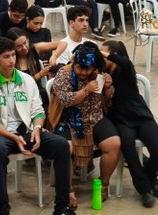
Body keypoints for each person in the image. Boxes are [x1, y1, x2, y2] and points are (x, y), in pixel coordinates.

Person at [0, 37, 76, 215]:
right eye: (6, 56)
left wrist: (37, 129)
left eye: (13, 55)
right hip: (1, 134)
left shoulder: (26, 80)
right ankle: (2, 209)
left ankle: (62, 207)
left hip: (29, 132)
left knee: (62, 145)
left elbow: (37, 111)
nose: (11, 60)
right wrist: (13, 137)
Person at [49, 41, 120, 205]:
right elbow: (65, 101)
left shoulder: (98, 73)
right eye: (80, 68)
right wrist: (86, 90)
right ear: (74, 63)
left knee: (114, 144)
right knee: (65, 148)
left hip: (95, 118)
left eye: (88, 69)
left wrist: (108, 88)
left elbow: (108, 100)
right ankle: (68, 190)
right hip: (67, 119)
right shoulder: (63, 74)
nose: (84, 72)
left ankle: (103, 184)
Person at [100, 40, 158, 207]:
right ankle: (144, 189)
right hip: (120, 119)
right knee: (128, 147)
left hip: (140, 115)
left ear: (114, 55)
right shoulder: (101, 74)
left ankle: (150, 176)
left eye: (104, 54)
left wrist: (104, 54)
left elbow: (126, 62)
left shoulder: (125, 70)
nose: (101, 57)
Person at [7, 28, 53, 104]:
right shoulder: (11, 61)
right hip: (21, 97)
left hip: (38, 92)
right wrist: (40, 74)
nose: (24, 48)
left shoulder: (33, 50)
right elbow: (20, 84)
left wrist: (53, 57)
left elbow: (62, 44)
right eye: (19, 47)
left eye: (25, 42)